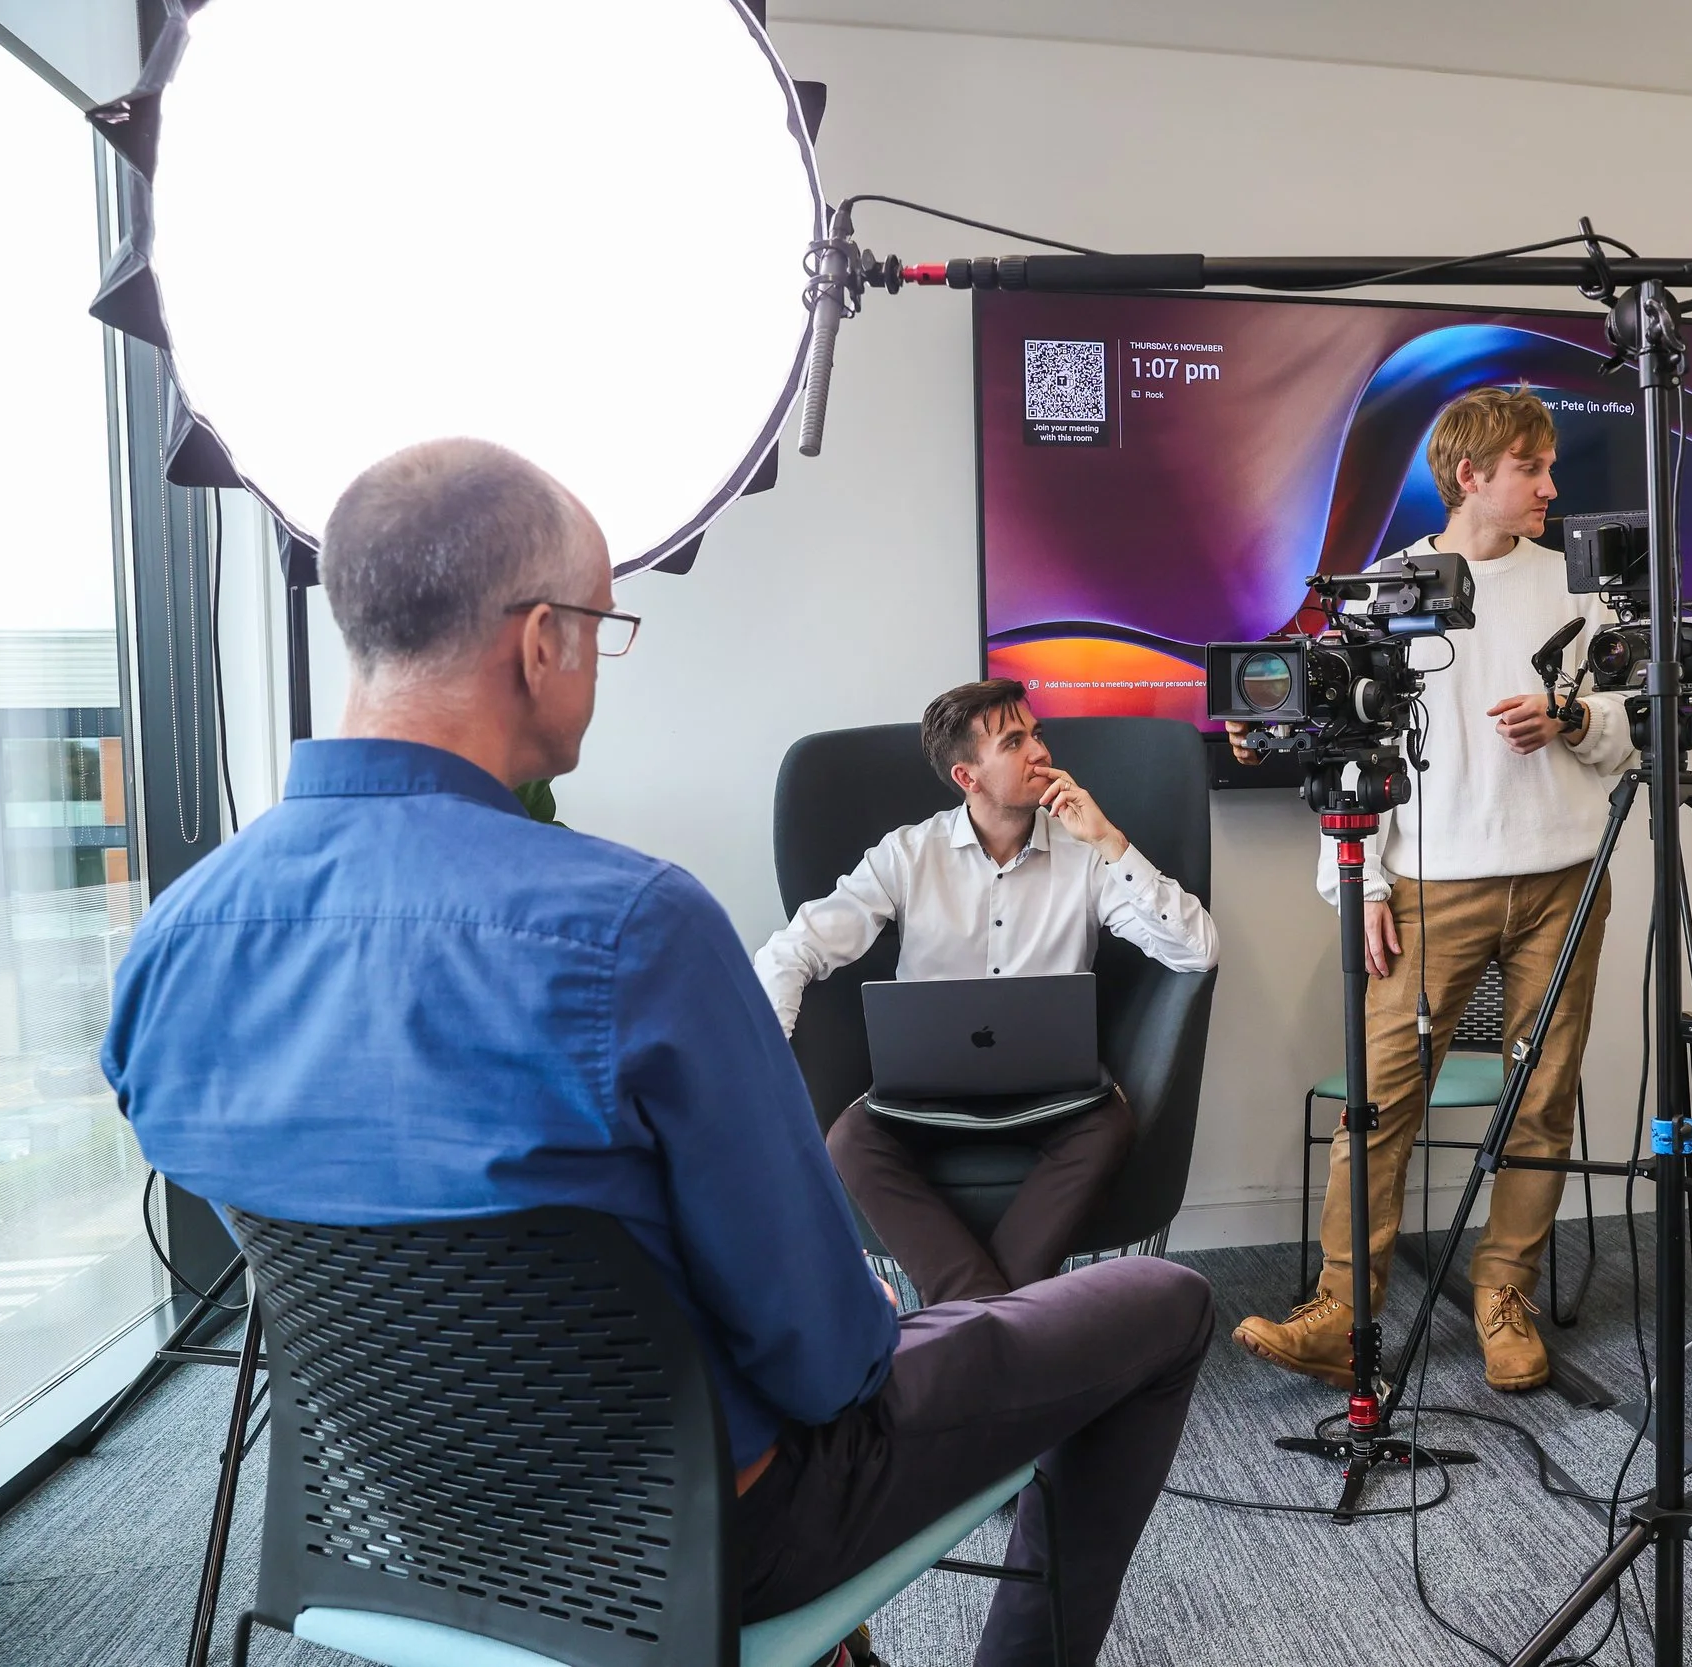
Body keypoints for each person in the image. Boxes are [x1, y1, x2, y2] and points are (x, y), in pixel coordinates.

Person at [100, 438, 1214, 1666]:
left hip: (408, 1525)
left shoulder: (172, 944)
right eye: (600, 627)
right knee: (1161, 1301)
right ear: (539, 644)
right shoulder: (631, 930)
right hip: (707, 1527)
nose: (597, 656)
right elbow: (831, 1355)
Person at [1230, 386, 1637, 1394]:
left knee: (1540, 1098)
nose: (1550, 486)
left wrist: (1574, 720)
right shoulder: (1381, 589)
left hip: (1561, 879)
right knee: (1377, 1103)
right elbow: (1344, 749)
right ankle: (1340, 1312)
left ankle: (1506, 1297)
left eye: (1547, 468)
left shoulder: (1577, 587)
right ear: (1472, 475)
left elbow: (1630, 727)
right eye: (1531, 470)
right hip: (1426, 888)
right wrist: (1353, 883)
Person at [752, 679, 1218, 1306]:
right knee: (850, 1139)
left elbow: (1197, 949)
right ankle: (1002, 1324)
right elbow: (795, 947)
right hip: (927, 1093)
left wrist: (1110, 842)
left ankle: (968, 1323)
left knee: (1108, 1125)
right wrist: (766, 1062)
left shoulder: (1085, 858)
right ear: (967, 776)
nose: (1039, 752)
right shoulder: (910, 855)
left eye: (1037, 733)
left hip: (1055, 1097)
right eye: (1014, 741)